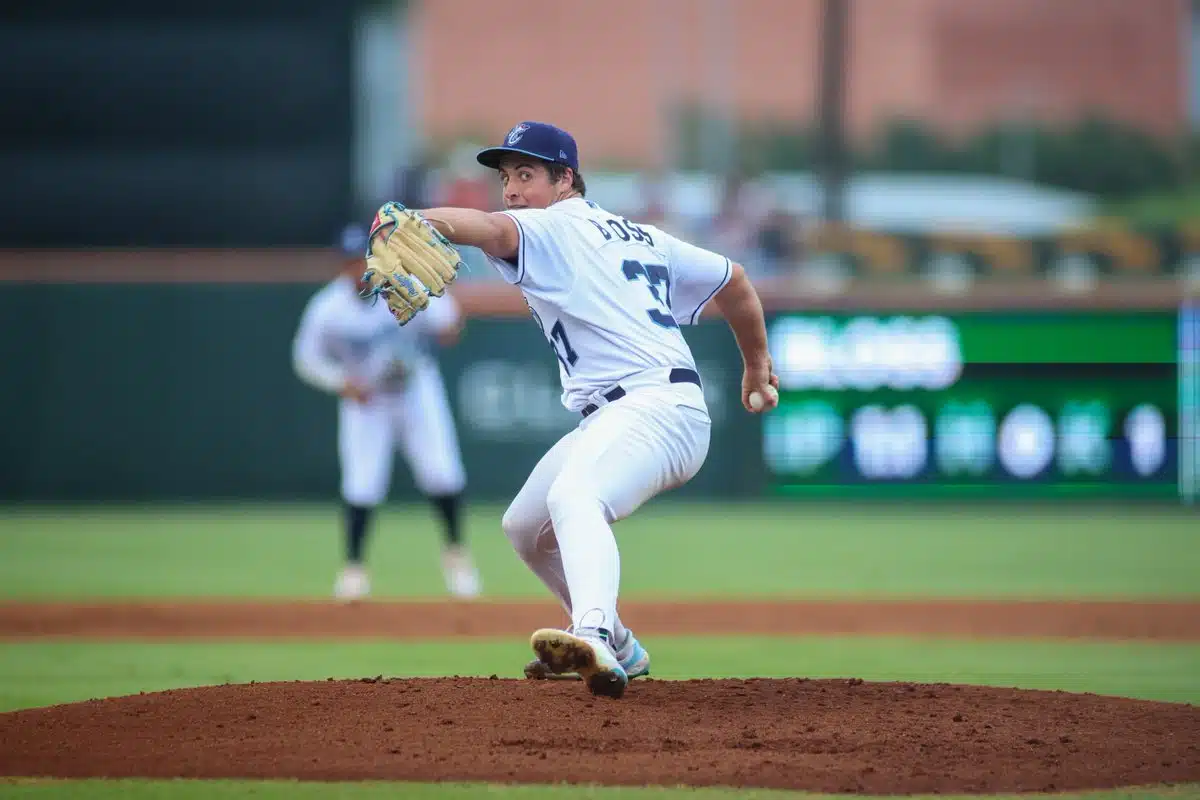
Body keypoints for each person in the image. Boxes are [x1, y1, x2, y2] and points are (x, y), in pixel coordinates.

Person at [378, 121, 777, 698]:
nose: (511, 189)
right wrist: (755, 363)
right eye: (506, 176)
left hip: (654, 406)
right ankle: (617, 640)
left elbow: (487, 227)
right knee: (525, 527)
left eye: (526, 174)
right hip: (637, 410)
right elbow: (734, 280)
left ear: (566, 179)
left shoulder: (553, 225)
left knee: (574, 497)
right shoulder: (638, 234)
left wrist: (419, 222)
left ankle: (589, 629)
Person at [291, 223, 481, 601]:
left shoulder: (403, 285)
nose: (356, 269)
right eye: (348, 262)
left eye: (360, 260)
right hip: (366, 398)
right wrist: (340, 383)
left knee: (442, 472)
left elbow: (450, 325)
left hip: (415, 390)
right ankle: (354, 570)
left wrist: (441, 313)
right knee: (362, 482)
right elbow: (306, 359)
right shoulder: (328, 308)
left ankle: (457, 558)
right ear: (340, 266)